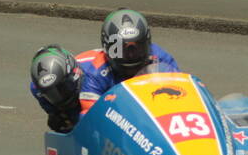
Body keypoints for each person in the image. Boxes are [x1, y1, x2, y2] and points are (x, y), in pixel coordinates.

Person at [27, 10, 180, 130]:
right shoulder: (95, 73)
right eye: (120, 49)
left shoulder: (160, 57)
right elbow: (91, 118)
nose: (131, 56)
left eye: (137, 48)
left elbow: (181, 93)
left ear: (148, 43)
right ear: (107, 46)